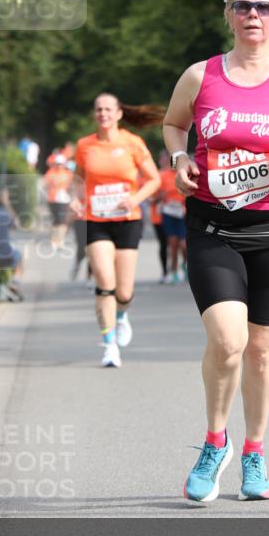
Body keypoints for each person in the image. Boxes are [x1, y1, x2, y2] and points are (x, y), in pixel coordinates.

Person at [163, 0, 269, 504]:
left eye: (263, 7)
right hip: (213, 228)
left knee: (260, 349)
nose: (252, 15)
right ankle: (215, 442)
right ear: (229, 15)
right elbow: (173, 124)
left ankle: (254, 452)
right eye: (242, 6)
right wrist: (180, 157)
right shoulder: (201, 75)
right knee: (228, 340)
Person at [74, 94, 162, 368]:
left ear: (119, 113)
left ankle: (121, 315)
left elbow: (154, 180)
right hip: (96, 220)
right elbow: (78, 179)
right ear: (94, 114)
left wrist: (134, 200)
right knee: (104, 280)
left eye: (108, 109)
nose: (103, 114)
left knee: (123, 293)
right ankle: (109, 345)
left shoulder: (132, 143)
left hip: (127, 220)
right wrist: (76, 199)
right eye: (98, 109)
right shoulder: (84, 145)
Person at [156, 154, 187, 283]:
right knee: (173, 244)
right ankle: (173, 271)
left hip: (182, 213)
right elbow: (155, 195)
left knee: (184, 244)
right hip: (169, 213)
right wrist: (161, 196)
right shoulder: (163, 175)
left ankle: (185, 266)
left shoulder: (185, 173)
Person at [42, 155, 73, 249]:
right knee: (56, 220)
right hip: (53, 199)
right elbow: (45, 184)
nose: (59, 166)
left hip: (64, 199)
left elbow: (72, 185)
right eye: (58, 164)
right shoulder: (50, 173)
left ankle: (61, 240)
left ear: (64, 164)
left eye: (61, 164)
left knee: (62, 220)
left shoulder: (68, 174)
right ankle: (54, 239)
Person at [150, 151, 170, 284]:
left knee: (179, 243)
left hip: (176, 214)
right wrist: (160, 197)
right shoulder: (155, 176)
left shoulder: (177, 174)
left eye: (168, 159)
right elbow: (150, 199)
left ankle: (178, 268)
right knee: (164, 244)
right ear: (159, 161)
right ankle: (165, 272)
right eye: (163, 159)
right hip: (159, 216)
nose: (166, 162)